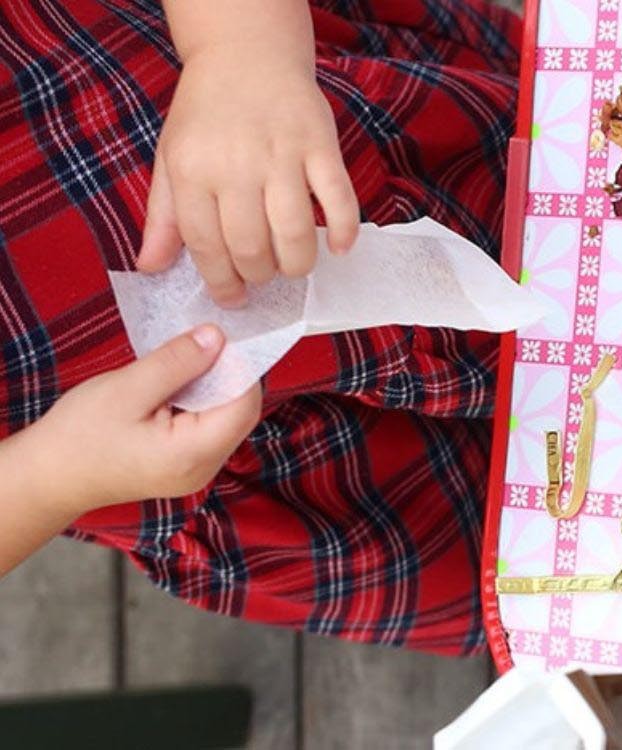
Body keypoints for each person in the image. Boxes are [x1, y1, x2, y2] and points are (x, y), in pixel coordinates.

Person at [0, 0, 519, 655]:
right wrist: (47, 477)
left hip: (274, 120)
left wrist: (239, 51)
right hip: (166, 460)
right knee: (606, 565)